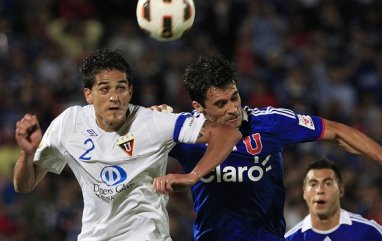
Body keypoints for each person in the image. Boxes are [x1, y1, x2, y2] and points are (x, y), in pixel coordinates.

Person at [153, 55, 382, 241]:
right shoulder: (184, 133)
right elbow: (125, 142)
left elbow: (337, 132)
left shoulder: (270, 122)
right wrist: (150, 119)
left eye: (234, 97)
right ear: (199, 108)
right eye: (221, 104)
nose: (233, 109)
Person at [13, 49, 242, 241]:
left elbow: (227, 134)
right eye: (104, 89)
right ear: (88, 95)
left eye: (121, 88)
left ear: (130, 91)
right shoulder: (68, 124)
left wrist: (193, 175)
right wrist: (27, 153)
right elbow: (24, 185)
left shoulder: (154, 122)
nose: (114, 97)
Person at [284, 158, 382, 240]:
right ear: (304, 193)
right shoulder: (290, 239)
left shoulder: (369, 232)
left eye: (328, 183)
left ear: (341, 190)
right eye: (313, 184)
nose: (319, 190)